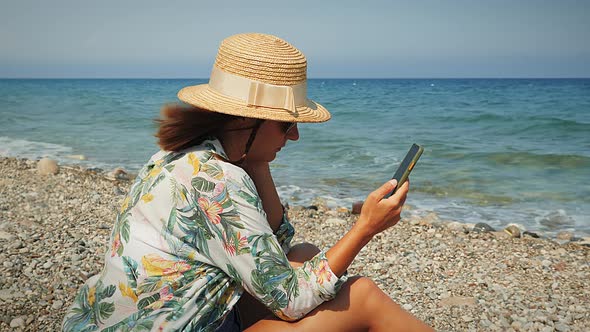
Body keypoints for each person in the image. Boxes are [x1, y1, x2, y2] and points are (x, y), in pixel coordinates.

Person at [62, 33, 433, 331]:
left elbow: (276, 243)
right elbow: (291, 302)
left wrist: (256, 158)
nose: (295, 137)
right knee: (363, 296)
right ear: (245, 120)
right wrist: (366, 227)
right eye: (287, 124)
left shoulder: (180, 156)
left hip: (118, 321)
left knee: (302, 255)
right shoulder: (219, 181)